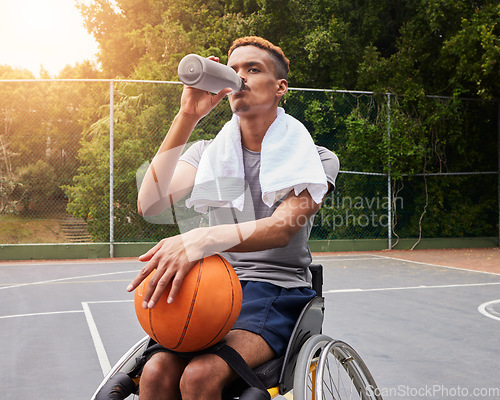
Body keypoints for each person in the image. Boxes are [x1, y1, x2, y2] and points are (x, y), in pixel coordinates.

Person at [127, 36, 339, 400]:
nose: (240, 77)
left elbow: (281, 229)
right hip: (214, 286)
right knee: (155, 373)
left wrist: (203, 239)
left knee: (199, 377)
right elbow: (150, 203)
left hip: (276, 288)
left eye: (252, 69)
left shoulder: (317, 159)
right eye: (234, 70)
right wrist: (188, 115)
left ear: (279, 88)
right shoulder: (207, 153)